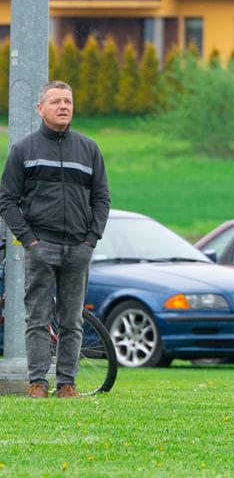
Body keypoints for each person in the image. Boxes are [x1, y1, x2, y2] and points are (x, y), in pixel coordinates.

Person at [0, 81, 111, 399]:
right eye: (56, 102)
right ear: (41, 109)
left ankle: (67, 384)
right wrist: (30, 240)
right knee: (37, 317)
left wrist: (91, 239)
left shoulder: (89, 149)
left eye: (68, 101)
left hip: (79, 248)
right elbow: (7, 200)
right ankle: (37, 383)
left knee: (72, 320)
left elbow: (102, 198)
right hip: (41, 247)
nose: (63, 106)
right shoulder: (24, 149)